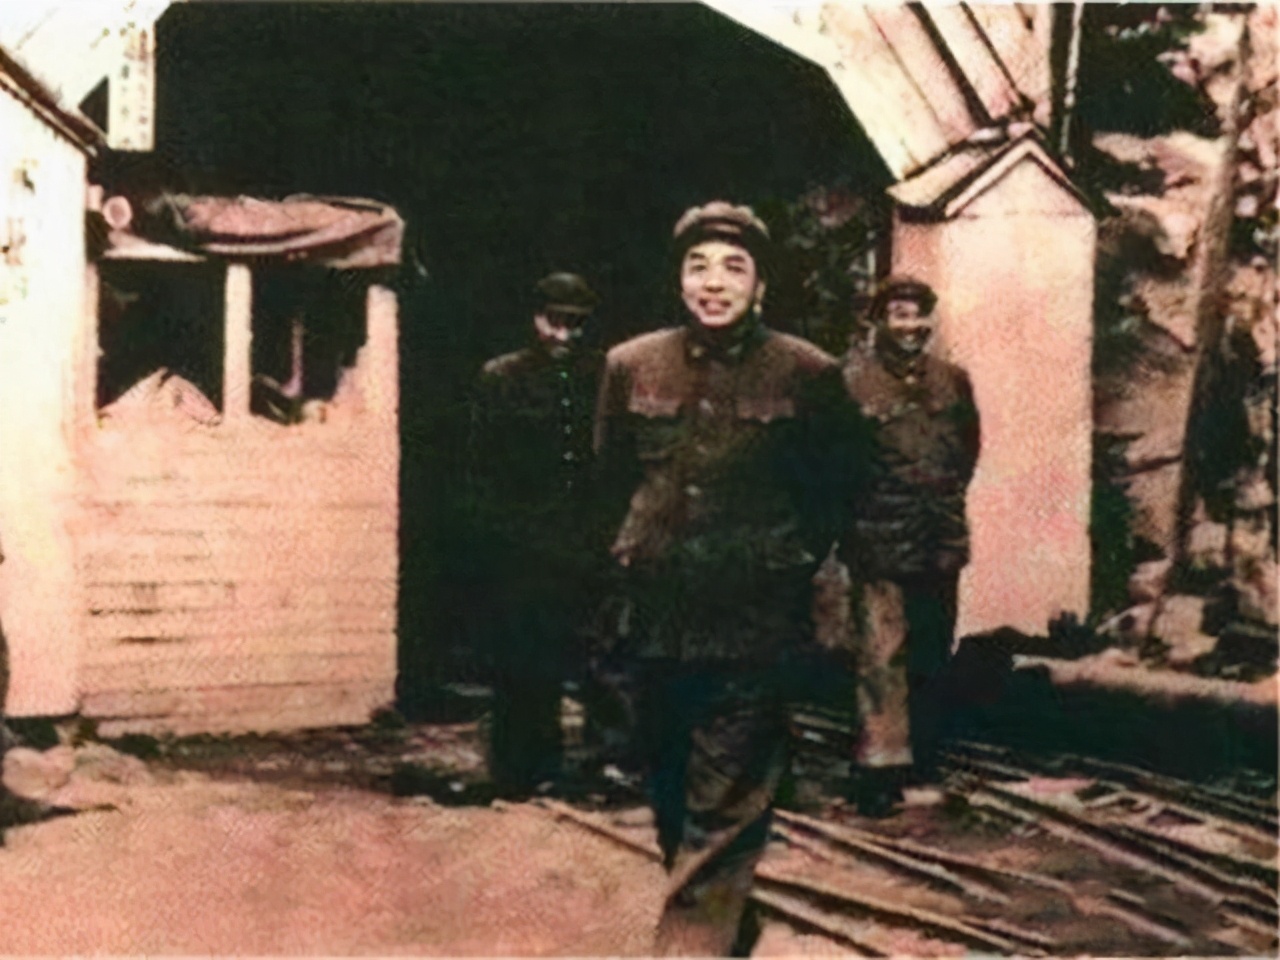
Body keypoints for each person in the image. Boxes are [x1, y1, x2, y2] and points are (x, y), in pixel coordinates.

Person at [593, 202, 854, 956]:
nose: (714, 283)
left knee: (728, 796)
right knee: (671, 789)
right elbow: (609, 485)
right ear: (678, 281)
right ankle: (727, 927)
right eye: (698, 266)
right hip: (656, 617)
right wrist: (628, 561)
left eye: (734, 268)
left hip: (753, 622)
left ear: (760, 285)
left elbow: (835, 488)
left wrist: (787, 562)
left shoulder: (808, 373)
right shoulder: (630, 364)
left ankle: (689, 948)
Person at [836, 276, 981, 816]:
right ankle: (880, 767)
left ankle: (923, 758)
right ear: (878, 321)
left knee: (931, 649)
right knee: (881, 652)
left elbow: (966, 452)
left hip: (938, 535)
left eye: (919, 316)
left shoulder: (952, 381)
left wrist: (940, 503)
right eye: (899, 315)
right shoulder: (851, 382)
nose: (911, 327)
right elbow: (833, 462)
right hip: (878, 535)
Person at [472, 271, 606, 797]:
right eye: (555, 322)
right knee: (521, 654)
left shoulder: (601, 376)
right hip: (521, 541)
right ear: (535, 319)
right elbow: (482, 467)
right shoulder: (501, 378)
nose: (565, 336)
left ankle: (586, 765)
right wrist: (498, 539)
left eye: (576, 325)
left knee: (590, 654)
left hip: (581, 538)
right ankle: (518, 768)